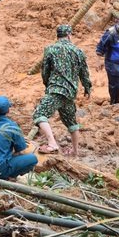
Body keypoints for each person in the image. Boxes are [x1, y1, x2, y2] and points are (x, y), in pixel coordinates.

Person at [34, 24, 92, 156]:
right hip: (71, 92)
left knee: (39, 114)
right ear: (69, 36)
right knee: (71, 122)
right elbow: (84, 73)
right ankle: (75, 151)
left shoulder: (50, 49)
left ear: (57, 36)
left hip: (56, 89)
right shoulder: (78, 51)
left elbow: (45, 71)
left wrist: (47, 85)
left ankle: (52, 144)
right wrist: (87, 87)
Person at [0, 96, 38, 180]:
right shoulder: (12, 127)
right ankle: (9, 177)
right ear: (8, 110)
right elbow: (21, 152)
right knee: (33, 158)